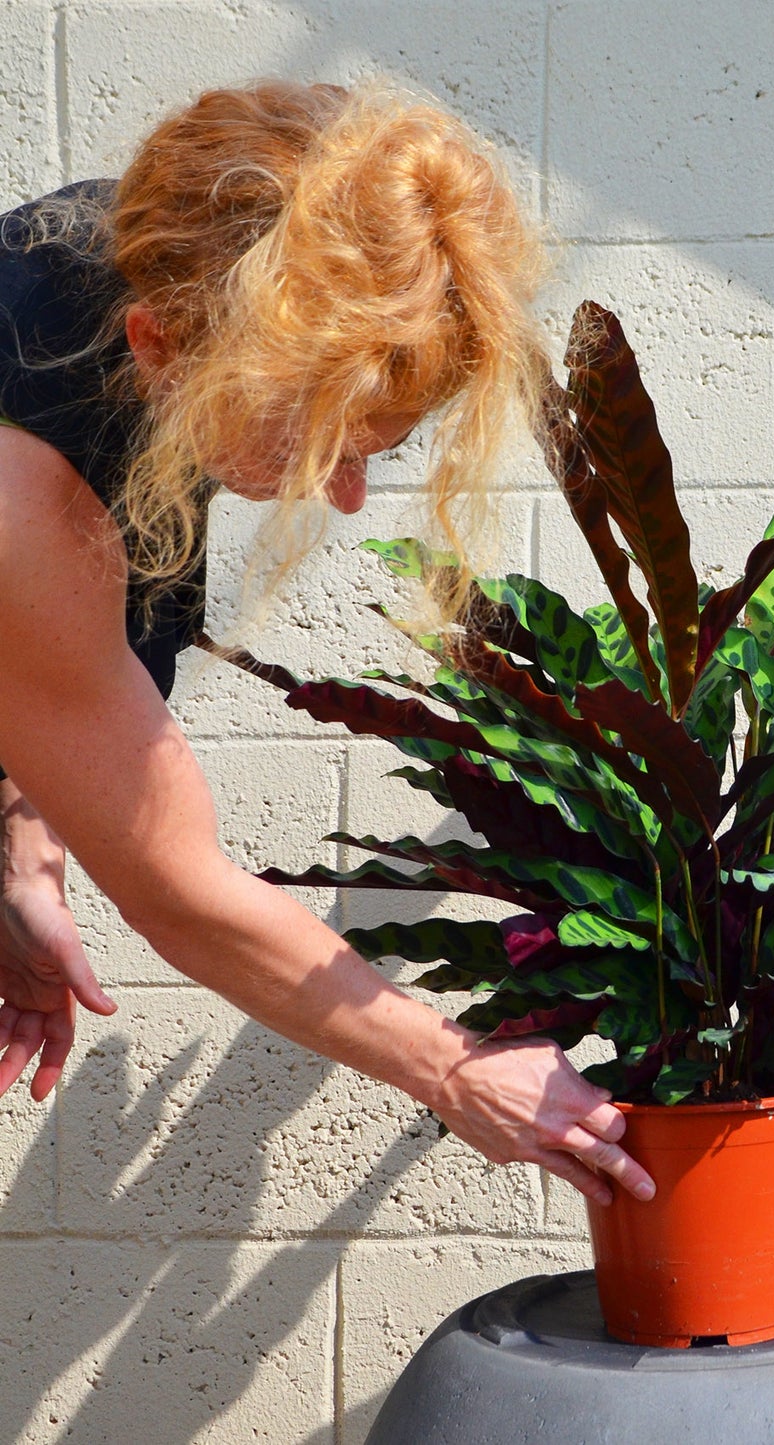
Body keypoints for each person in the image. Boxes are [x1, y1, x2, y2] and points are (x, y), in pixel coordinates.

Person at [0, 78, 654, 1207]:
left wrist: (21, 844)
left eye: (375, 451)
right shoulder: (26, 493)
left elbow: (42, 687)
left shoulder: (136, 268)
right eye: (329, 444)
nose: (346, 495)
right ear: (162, 349)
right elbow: (174, 882)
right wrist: (452, 1066)